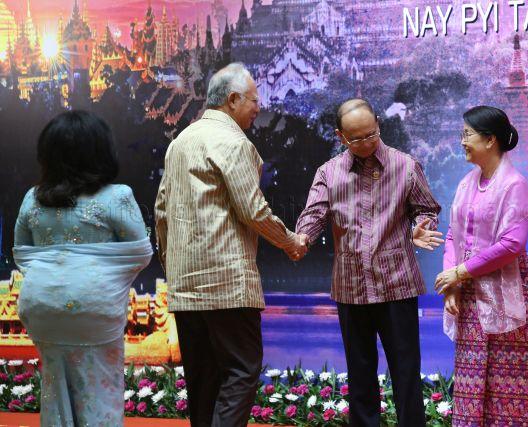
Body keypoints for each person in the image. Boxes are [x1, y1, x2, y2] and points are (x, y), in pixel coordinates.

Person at [154, 62, 308, 427]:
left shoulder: (179, 142)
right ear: (233, 99)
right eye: (254, 100)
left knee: (203, 381)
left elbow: (161, 212)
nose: (258, 108)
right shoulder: (235, 143)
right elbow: (253, 210)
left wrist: (172, 267)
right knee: (242, 370)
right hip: (227, 285)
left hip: (187, 287)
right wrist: (290, 242)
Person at [296, 98, 442, 426]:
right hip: (351, 285)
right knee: (360, 373)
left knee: (406, 370)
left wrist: (423, 227)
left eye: (371, 134)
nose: (366, 143)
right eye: (357, 139)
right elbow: (314, 213)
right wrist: (303, 237)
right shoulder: (329, 173)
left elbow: (427, 208)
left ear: (378, 123)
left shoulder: (405, 165)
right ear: (341, 137)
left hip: (397, 284)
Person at [13, 110, 152, 426]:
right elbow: (141, 252)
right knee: (99, 394)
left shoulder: (31, 199)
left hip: (41, 310)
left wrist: (59, 268)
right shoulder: (117, 196)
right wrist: (91, 271)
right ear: (101, 151)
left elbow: (23, 254)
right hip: (95, 311)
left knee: (54, 391)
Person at [435, 105, 528, 426]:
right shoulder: (468, 182)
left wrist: (460, 273)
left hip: (508, 291)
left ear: (490, 140)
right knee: (469, 379)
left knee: (507, 384)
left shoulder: (514, 184)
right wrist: (452, 283)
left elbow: (512, 244)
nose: (462, 141)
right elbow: (452, 234)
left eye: (467, 135)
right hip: (469, 291)